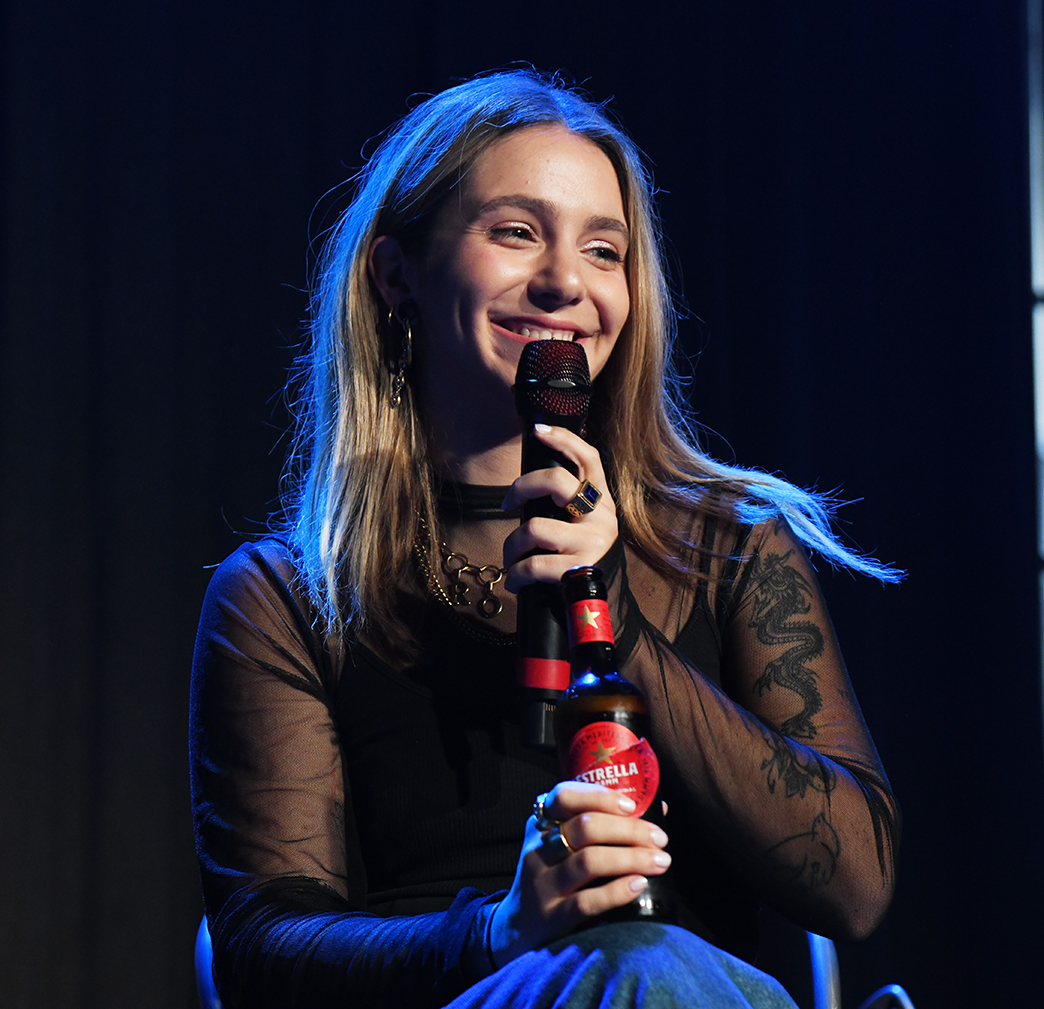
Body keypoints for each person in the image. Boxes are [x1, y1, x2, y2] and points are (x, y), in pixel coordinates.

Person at [190, 70, 902, 1009]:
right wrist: (499, 930)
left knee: (653, 963)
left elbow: (855, 886)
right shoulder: (289, 594)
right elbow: (259, 952)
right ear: (396, 275)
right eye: (517, 232)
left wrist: (616, 618)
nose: (567, 281)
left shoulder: (731, 545)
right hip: (473, 991)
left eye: (604, 250)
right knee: (634, 965)